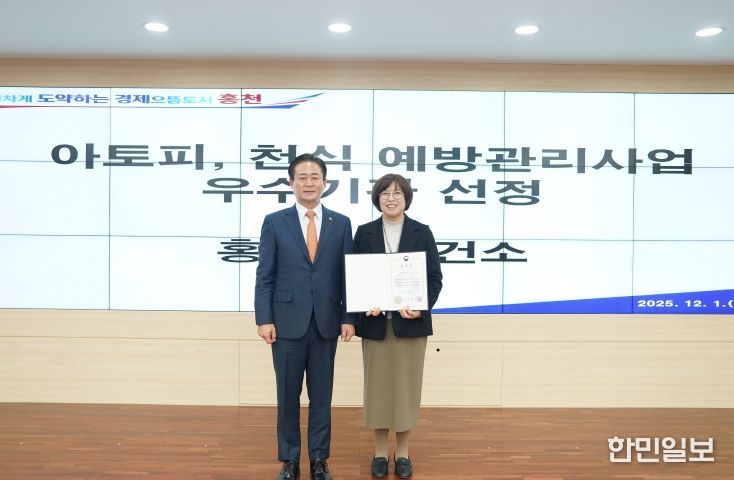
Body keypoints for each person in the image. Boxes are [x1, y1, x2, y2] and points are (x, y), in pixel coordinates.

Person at [255, 153, 356, 480]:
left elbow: (348, 276)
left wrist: (349, 317)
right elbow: (265, 275)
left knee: (321, 397)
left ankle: (319, 460)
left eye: (315, 177)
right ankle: (289, 460)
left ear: (325, 183)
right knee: (287, 396)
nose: (309, 183)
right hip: (285, 324)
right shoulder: (275, 222)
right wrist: (264, 318)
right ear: (291, 182)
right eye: (302, 177)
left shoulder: (341, 223)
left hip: (327, 322)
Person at [354, 173, 443, 479]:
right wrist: (365, 302)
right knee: (378, 390)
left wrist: (420, 308)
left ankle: (403, 453)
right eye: (385, 194)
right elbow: (357, 277)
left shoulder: (422, 232)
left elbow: (434, 278)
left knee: (406, 391)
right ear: (377, 198)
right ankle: (380, 453)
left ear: (406, 198)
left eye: (397, 193)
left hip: (410, 326)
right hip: (376, 325)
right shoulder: (364, 233)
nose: (391, 199)